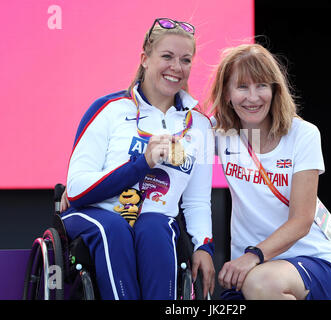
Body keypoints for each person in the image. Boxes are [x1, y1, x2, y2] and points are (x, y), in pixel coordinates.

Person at [60, 18, 215, 300]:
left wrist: (204, 246)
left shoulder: (200, 126)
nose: (176, 67)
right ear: (145, 58)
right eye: (166, 56)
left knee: (156, 225)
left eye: (185, 60)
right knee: (114, 229)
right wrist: (142, 163)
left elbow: (197, 201)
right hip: (96, 217)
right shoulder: (109, 109)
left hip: (153, 223)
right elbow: (77, 188)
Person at [208, 43, 331, 300]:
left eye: (261, 85)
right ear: (226, 93)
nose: (253, 97)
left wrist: (253, 255)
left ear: (274, 90)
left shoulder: (303, 134)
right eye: (242, 87)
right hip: (248, 275)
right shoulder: (219, 133)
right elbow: (174, 138)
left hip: (308, 260)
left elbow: (302, 221)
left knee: (262, 284)